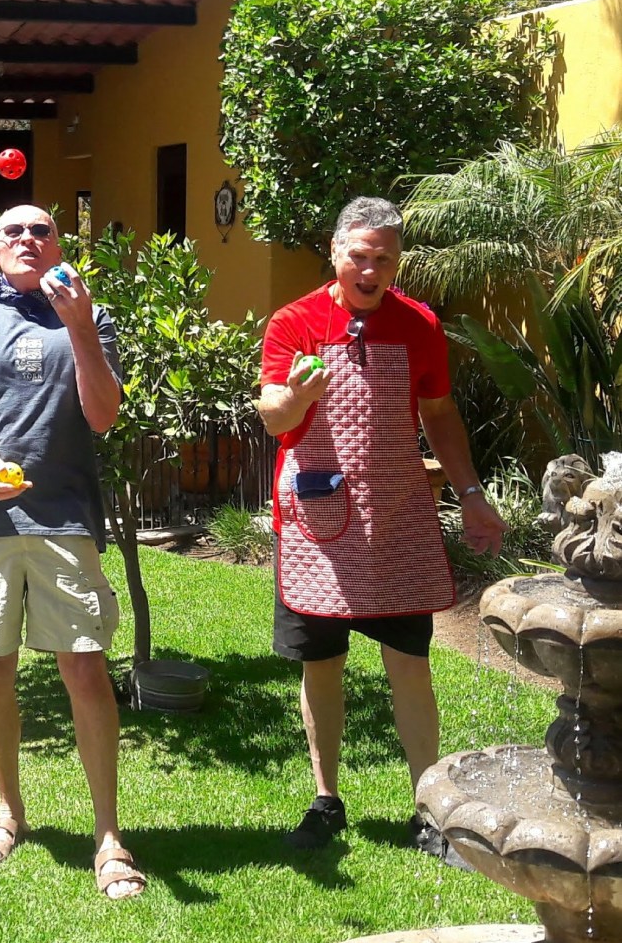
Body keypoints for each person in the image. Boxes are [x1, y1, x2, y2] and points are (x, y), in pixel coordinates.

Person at [258, 196, 506, 865]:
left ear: (397, 263)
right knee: (321, 666)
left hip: (395, 520)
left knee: (409, 667)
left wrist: (472, 495)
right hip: (316, 524)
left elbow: (439, 413)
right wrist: (299, 395)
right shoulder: (294, 322)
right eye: (359, 256)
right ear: (335, 251)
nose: (369, 271)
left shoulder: (418, 323)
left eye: (384, 260)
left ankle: (429, 810)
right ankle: (325, 799)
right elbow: (274, 416)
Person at [0, 204, 145, 900]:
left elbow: (103, 415)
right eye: (13, 232)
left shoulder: (90, 315)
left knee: (85, 667)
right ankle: (8, 812)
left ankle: (108, 835)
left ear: (58, 246)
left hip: (63, 518)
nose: (27, 239)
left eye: (41, 230)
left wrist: (79, 326)